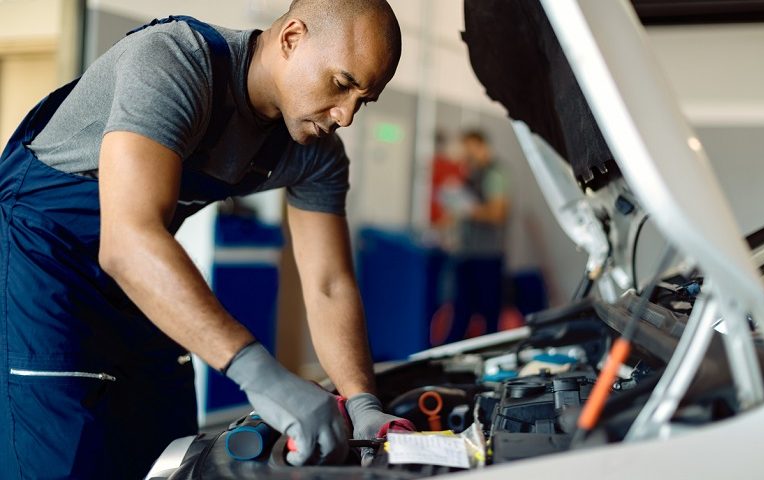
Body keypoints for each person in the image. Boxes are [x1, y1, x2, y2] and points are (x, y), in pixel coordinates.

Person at [0, 1, 413, 478]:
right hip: (41, 269)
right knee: (64, 459)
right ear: (291, 37)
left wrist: (362, 401)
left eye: (364, 100)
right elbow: (128, 241)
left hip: (140, 286)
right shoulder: (174, 61)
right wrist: (261, 374)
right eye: (341, 84)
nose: (346, 116)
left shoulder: (316, 155)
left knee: (169, 455)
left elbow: (329, 284)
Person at [445, 129, 509, 343]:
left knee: (489, 316)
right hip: (467, 254)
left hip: (486, 257)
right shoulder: (471, 175)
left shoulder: (494, 174)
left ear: (481, 147)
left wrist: (470, 209)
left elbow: (498, 214)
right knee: (461, 313)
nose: (466, 155)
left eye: (469, 149)